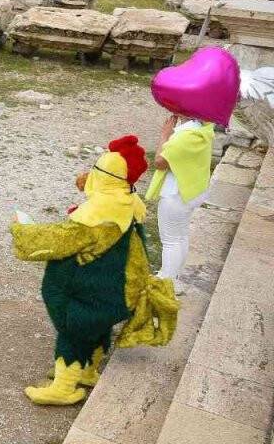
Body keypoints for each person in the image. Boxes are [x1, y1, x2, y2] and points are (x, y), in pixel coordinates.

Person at [11, 136, 178, 406]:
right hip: (117, 291)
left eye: (98, 169)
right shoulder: (127, 201)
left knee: (73, 332)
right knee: (97, 329)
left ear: (107, 176)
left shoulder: (100, 213)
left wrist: (24, 231)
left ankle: (63, 389)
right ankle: (87, 371)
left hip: (91, 291)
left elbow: (61, 239)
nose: (94, 172)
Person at [145, 113, 215, 291]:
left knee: (171, 241)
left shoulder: (187, 135)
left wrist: (164, 135)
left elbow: (160, 162)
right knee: (180, 237)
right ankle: (174, 279)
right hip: (189, 191)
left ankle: (165, 285)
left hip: (175, 193)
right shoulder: (203, 129)